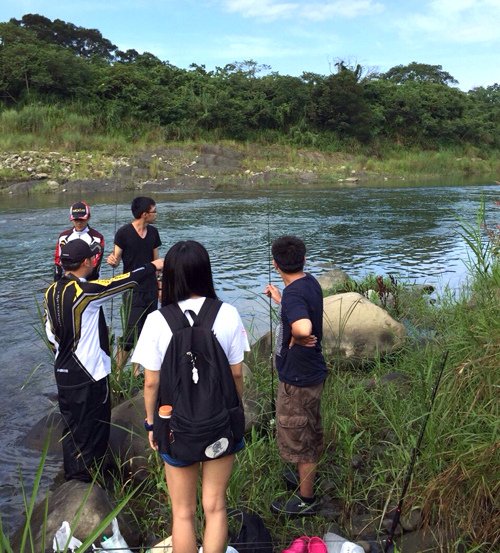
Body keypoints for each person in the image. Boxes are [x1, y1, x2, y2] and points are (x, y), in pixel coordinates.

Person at [132, 240, 250, 553]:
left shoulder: (158, 321)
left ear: (168, 277)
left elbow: (151, 383)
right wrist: (237, 411)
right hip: (219, 421)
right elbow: (237, 374)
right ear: (205, 273)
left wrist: (150, 423)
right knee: (215, 507)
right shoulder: (227, 313)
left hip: (175, 426)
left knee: (182, 513)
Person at [44, 239, 164, 482]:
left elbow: (49, 333)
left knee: (72, 427)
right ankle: (90, 480)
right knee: (94, 425)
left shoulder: (51, 291)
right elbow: (125, 281)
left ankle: (73, 475)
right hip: (89, 373)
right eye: (92, 258)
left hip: (63, 371)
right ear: (86, 262)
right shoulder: (85, 293)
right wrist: (153, 265)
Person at [264, 235, 327, 515]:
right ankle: (305, 479)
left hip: (298, 379)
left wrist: (299, 337)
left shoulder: (294, 295)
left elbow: (302, 326)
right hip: (311, 372)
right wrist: (281, 299)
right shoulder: (309, 283)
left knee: (300, 437)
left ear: (276, 264)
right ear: (303, 259)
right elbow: (299, 310)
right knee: (309, 429)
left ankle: (306, 501)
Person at [107, 196, 162, 372]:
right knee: (130, 334)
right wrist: (112, 261)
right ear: (144, 214)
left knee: (148, 333)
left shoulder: (153, 233)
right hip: (131, 289)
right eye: (154, 211)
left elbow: (156, 263)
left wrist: (159, 286)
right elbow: (116, 260)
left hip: (151, 289)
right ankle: (116, 374)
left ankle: (137, 372)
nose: (156, 214)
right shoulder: (123, 233)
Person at [54, 200, 104, 281]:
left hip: (92, 281)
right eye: (76, 220)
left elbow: (96, 264)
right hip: (68, 281)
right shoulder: (63, 237)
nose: (79, 223)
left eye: (82, 219)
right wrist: (56, 282)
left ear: (88, 217)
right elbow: (58, 262)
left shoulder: (97, 237)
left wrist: (83, 282)